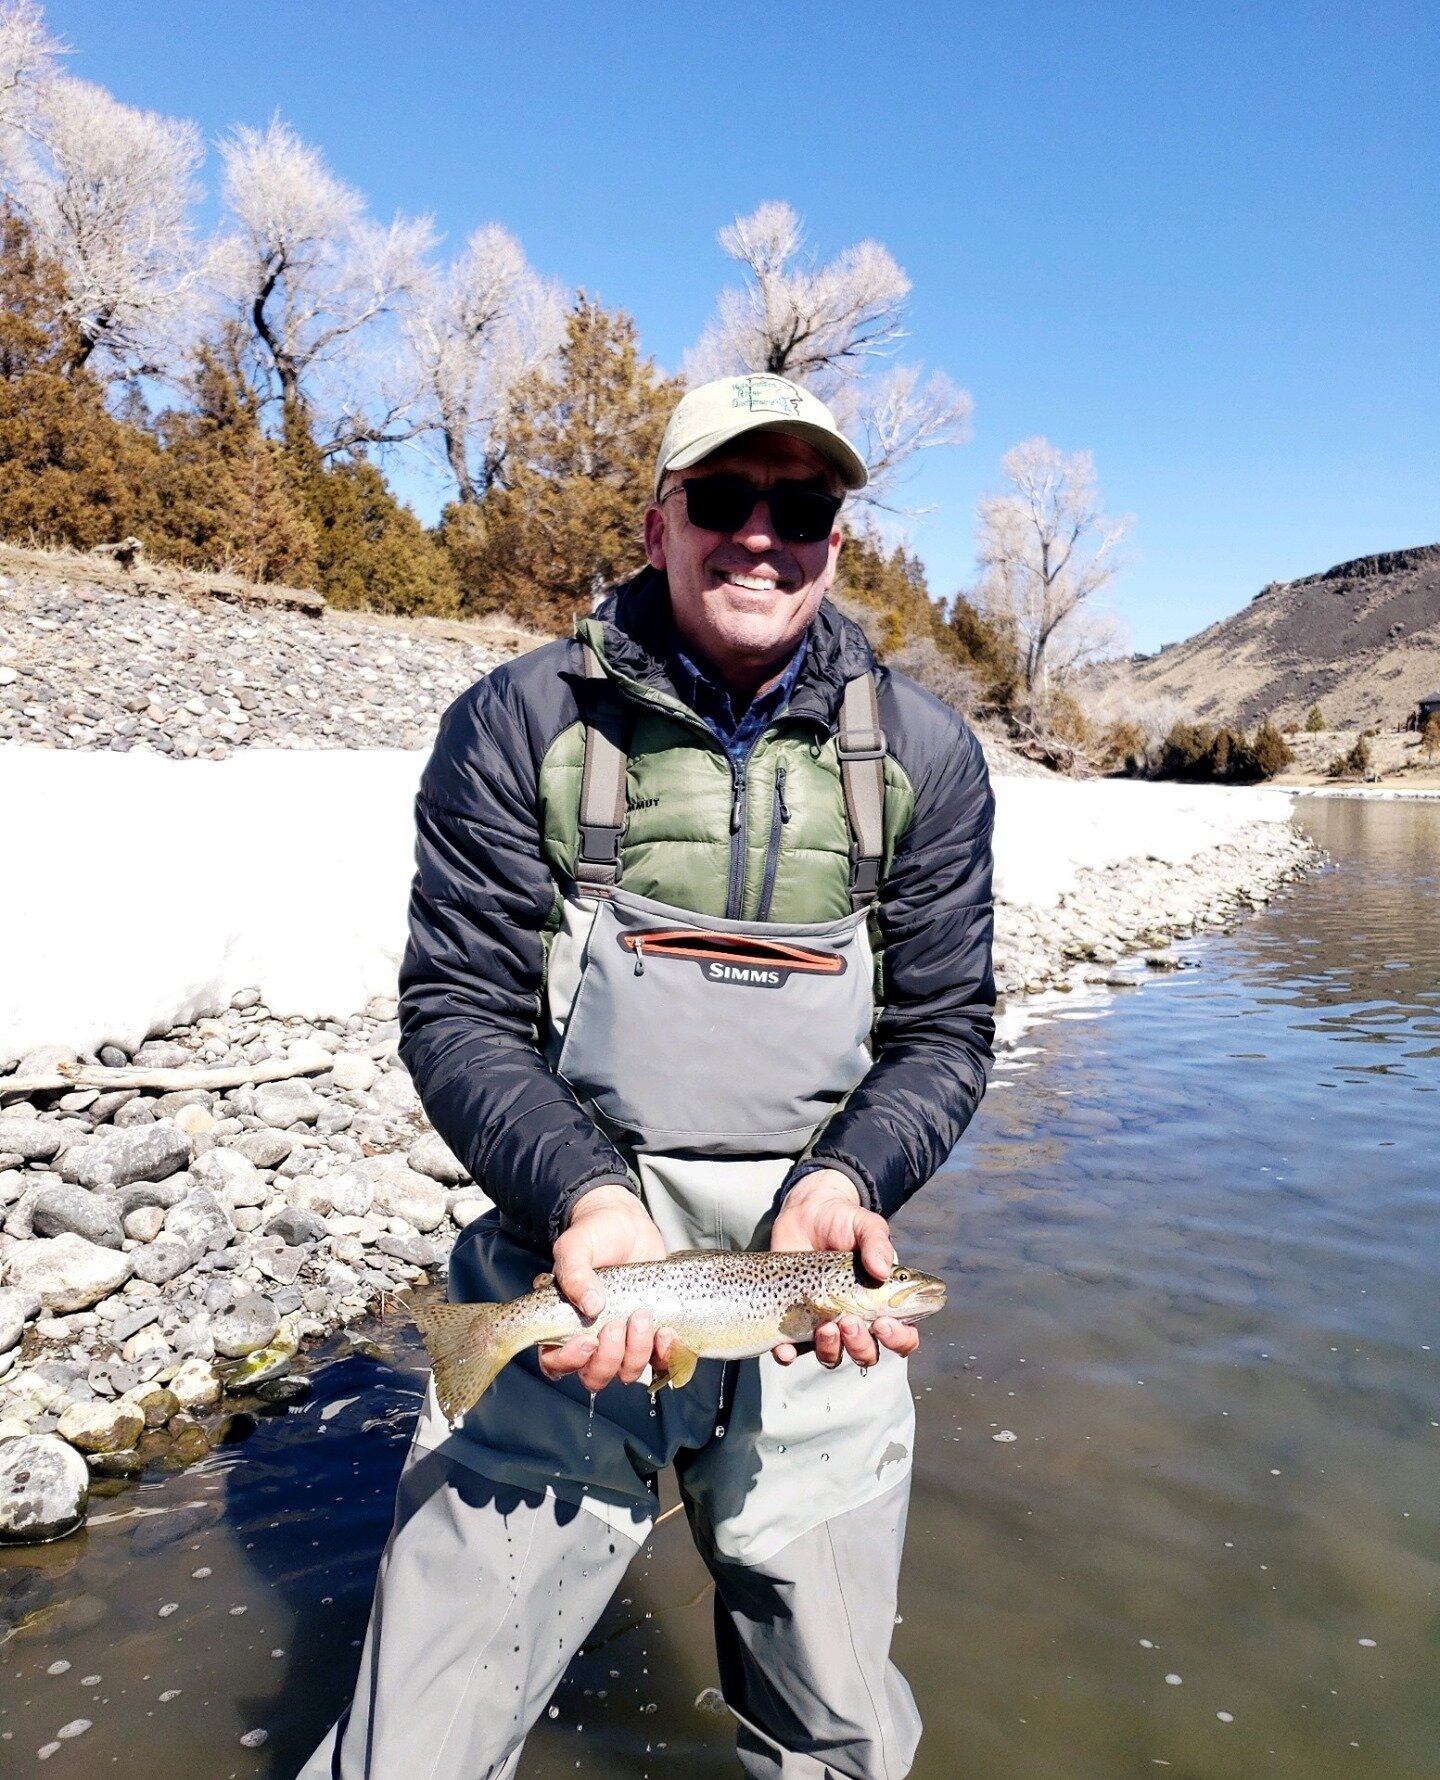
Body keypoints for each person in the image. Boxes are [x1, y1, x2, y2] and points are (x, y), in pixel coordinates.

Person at [300, 372, 995, 1780]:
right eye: (725, 499)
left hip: (806, 1298)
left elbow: (946, 1032)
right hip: (574, 1272)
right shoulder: (521, 723)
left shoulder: (924, 757)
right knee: (409, 1756)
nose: (761, 535)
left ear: (836, 539)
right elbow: (456, 1009)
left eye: (799, 506)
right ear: (658, 519)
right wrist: (583, 1203)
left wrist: (850, 1182)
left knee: (843, 1741)